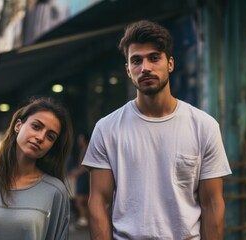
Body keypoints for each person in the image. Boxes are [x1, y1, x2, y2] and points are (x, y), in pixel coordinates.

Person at [82, 20, 232, 240]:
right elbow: (99, 202)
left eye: (154, 58)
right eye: (136, 61)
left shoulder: (204, 126)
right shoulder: (106, 129)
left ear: (170, 63)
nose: (146, 68)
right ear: (128, 70)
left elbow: (212, 204)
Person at [0, 97, 73, 240]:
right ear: (18, 125)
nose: (41, 137)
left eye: (50, 136)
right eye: (36, 126)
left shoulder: (56, 192)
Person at [68, 133, 90, 227]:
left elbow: (85, 166)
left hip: (84, 176)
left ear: (84, 140)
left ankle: (84, 218)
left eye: (80, 139)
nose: (79, 141)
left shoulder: (86, 150)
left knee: (79, 199)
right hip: (83, 176)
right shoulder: (83, 149)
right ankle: (85, 218)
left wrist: (75, 173)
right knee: (85, 199)